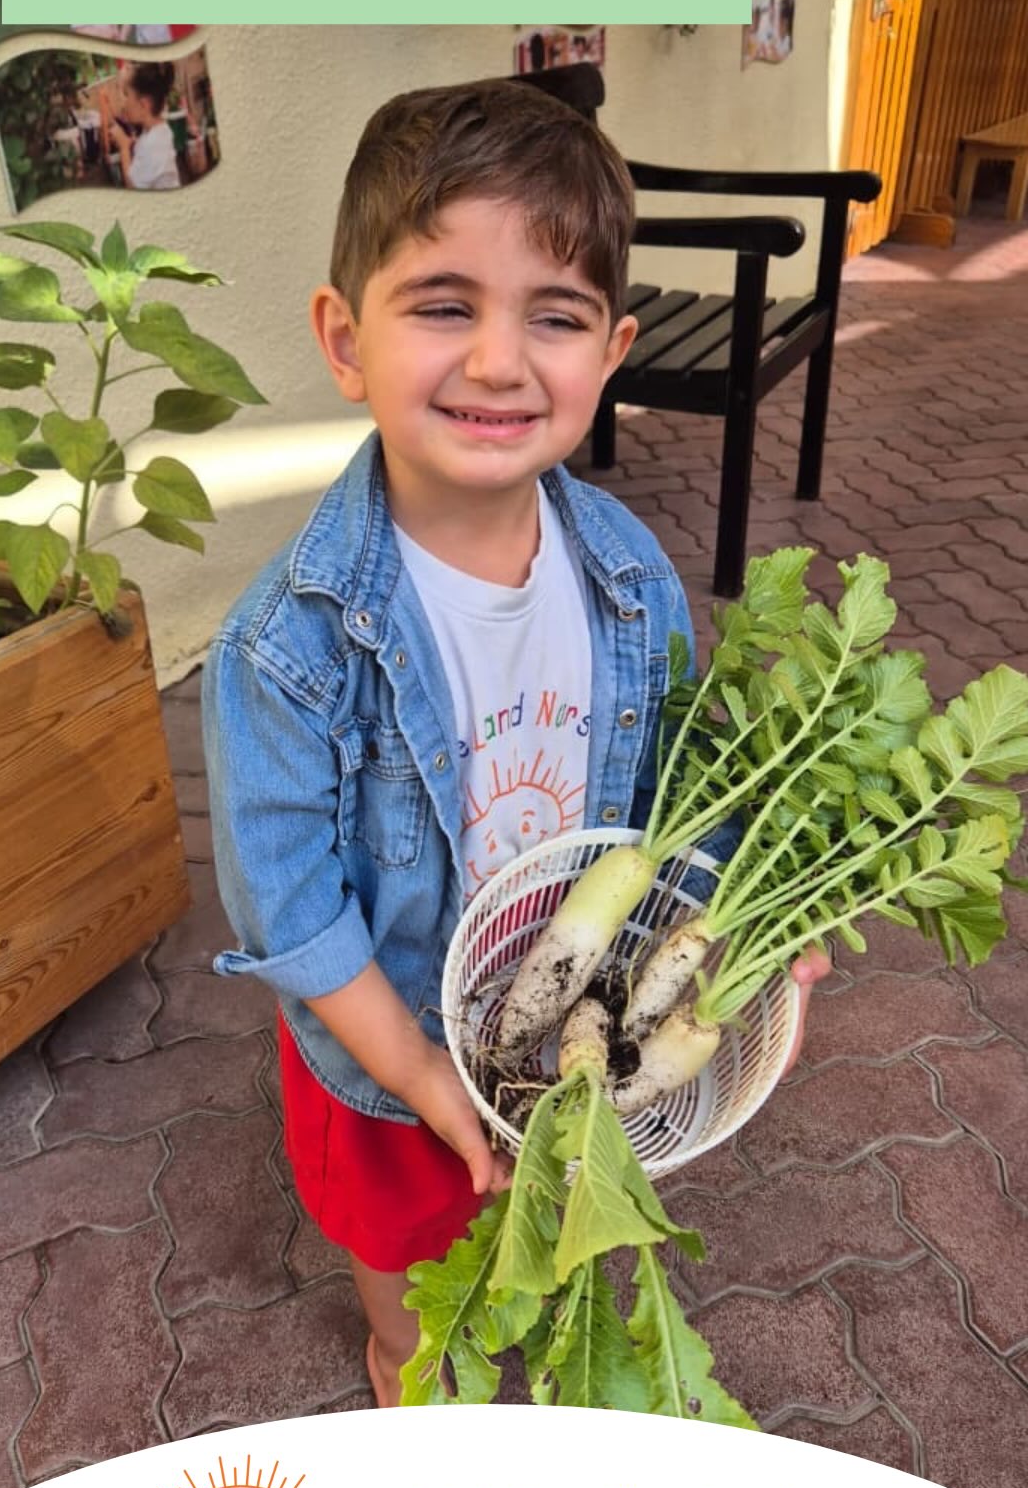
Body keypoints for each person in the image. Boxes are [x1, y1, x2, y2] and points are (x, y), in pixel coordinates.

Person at [201, 78, 829, 1409]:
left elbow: (683, 782)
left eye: (555, 317)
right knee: (412, 1288)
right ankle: (403, 1370)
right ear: (344, 340)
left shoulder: (628, 571)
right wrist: (422, 1072)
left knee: (542, 1237)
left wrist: (744, 923)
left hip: (570, 1032)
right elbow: (290, 912)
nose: (500, 361)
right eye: (444, 306)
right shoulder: (287, 644)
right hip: (391, 1049)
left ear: (612, 351)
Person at [107, 59, 180, 190]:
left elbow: (132, 187)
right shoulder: (159, 130)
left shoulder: (152, 145)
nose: (122, 103)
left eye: (126, 94)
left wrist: (124, 147)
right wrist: (135, 143)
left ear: (143, 105)